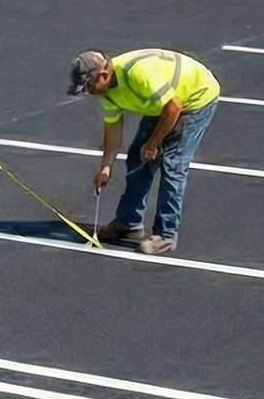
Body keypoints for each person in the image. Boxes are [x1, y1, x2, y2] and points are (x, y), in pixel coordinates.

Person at [70, 48, 221, 255]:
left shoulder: (138, 74)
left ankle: (166, 234)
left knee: (173, 163)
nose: (88, 92)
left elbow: (174, 107)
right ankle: (128, 224)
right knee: (137, 158)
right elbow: (113, 129)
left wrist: (153, 144)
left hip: (195, 97)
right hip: (163, 103)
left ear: (103, 76)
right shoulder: (106, 92)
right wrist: (106, 167)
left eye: (88, 86)